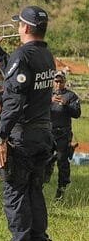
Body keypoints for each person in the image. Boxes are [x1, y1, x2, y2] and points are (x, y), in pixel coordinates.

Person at [0, 5, 56, 241]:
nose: (17, 28)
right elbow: (17, 78)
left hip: (22, 135)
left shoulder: (22, 54)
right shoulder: (46, 55)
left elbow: (14, 99)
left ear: (26, 27)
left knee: (15, 195)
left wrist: (1, 136)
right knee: (34, 193)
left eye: (19, 24)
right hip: (43, 134)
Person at [45, 70, 80, 200]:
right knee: (44, 159)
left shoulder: (71, 96)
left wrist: (66, 105)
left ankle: (61, 191)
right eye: (56, 81)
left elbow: (77, 113)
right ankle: (40, 184)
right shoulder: (47, 95)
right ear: (53, 82)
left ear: (64, 82)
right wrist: (49, 101)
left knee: (62, 161)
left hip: (63, 134)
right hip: (48, 133)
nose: (58, 84)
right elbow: (37, 108)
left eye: (61, 81)